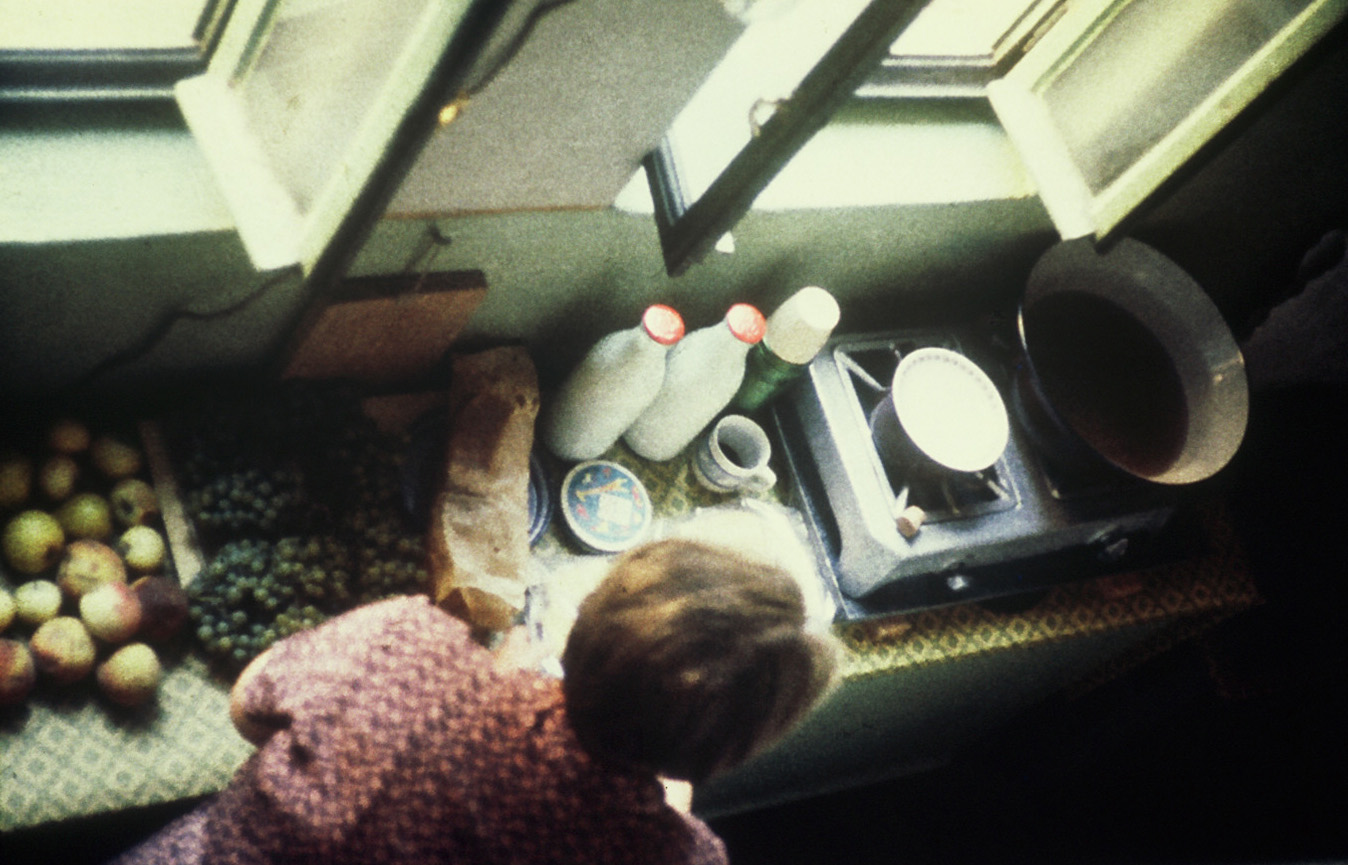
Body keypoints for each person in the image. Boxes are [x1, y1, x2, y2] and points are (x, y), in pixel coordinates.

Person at [109, 537, 840, 865]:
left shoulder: (401, 642)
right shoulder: (675, 854)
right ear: (731, 753)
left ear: (584, 614)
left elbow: (247, 706)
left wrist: (498, 683)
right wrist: (666, 808)